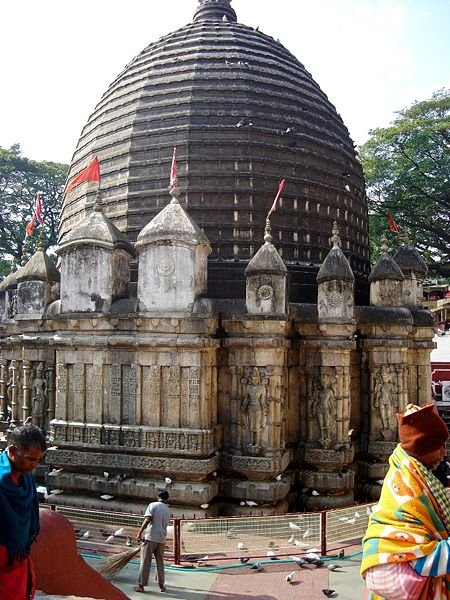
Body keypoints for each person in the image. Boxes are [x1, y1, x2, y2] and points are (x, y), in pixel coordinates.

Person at [361, 403, 450, 599]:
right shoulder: (408, 491)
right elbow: (422, 560)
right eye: (438, 447)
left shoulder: (413, 473)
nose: (443, 453)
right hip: (411, 585)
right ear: (421, 448)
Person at [0, 424, 47, 600]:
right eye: (29, 459)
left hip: (18, 563)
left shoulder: (26, 481)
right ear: (12, 450)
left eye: (37, 460)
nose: (33, 465)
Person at [134, 490, 171, 593]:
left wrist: (140, 532)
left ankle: (141, 585)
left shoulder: (153, 505)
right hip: (161, 539)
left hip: (150, 537)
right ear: (167, 498)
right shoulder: (168, 510)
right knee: (160, 562)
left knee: (145, 561)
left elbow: (148, 519)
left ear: (158, 496)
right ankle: (161, 585)